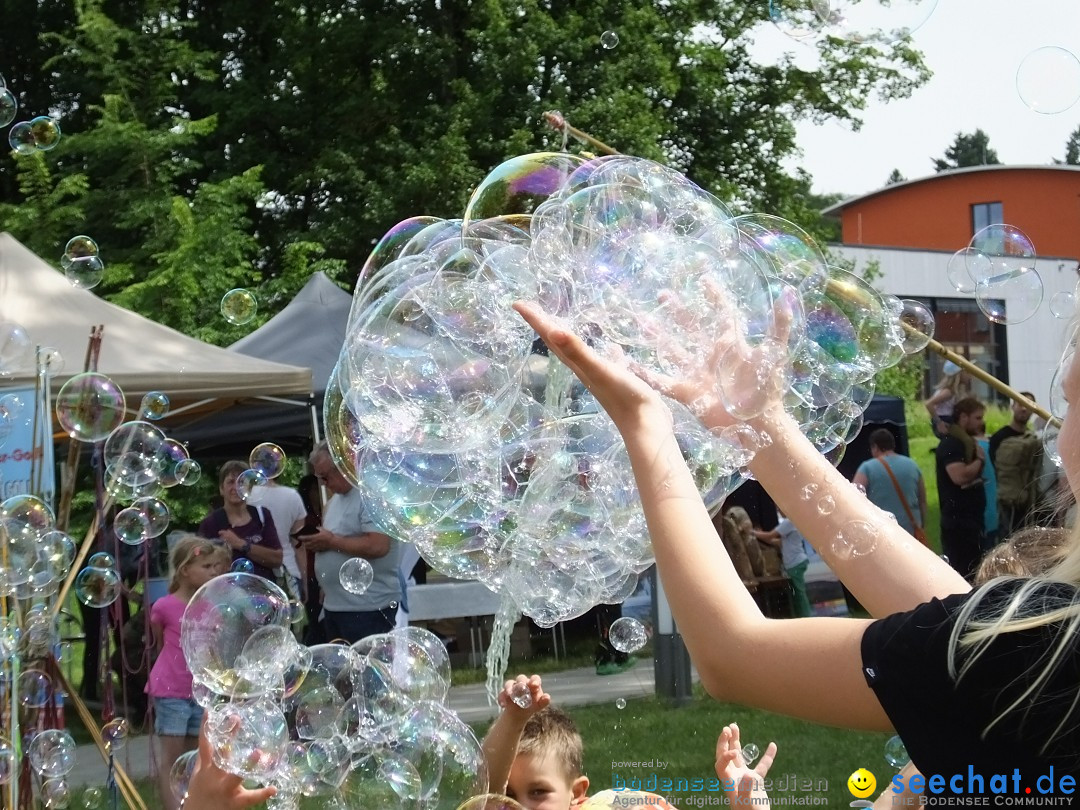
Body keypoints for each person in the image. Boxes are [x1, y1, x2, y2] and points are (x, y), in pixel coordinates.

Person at [514, 297, 1080, 785]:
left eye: (1075, 397)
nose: (1061, 418)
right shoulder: (1042, 638)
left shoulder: (1045, 645)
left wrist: (644, 422)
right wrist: (763, 430)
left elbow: (733, 653)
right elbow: (964, 623)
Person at [147, 535, 228, 810]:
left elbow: (213, 651)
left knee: (195, 758)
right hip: (170, 691)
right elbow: (160, 646)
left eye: (215, 566)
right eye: (206, 567)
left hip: (200, 692)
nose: (214, 572)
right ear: (184, 570)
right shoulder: (163, 607)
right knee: (171, 758)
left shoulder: (211, 609)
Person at [301, 441, 403, 643]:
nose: (323, 483)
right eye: (319, 477)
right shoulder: (334, 501)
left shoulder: (372, 496)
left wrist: (330, 541)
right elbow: (336, 542)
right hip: (336, 605)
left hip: (368, 606)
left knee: (367, 670)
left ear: (344, 465)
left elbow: (378, 545)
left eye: (326, 476)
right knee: (343, 673)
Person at [197, 461, 284, 580]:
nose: (236, 487)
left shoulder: (262, 515)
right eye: (231, 482)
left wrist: (241, 544)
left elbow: (277, 559)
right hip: (227, 594)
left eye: (242, 481)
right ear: (221, 489)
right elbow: (201, 564)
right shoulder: (211, 523)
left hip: (263, 592)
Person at [934, 396, 987, 580]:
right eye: (978, 418)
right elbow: (959, 476)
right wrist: (980, 460)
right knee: (963, 573)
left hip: (970, 522)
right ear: (964, 417)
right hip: (958, 524)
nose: (982, 422)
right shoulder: (952, 443)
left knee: (974, 570)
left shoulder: (965, 442)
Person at [853, 428, 927, 542]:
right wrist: (921, 525)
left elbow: (854, 497)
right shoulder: (912, 465)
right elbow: (922, 500)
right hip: (910, 530)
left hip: (882, 531)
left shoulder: (867, 467)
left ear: (875, 447)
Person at [989, 393, 1043, 537]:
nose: (1024, 409)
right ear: (1013, 406)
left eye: (1028, 406)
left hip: (1030, 502)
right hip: (1009, 503)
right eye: (1020, 404)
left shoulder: (1033, 439)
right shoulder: (999, 438)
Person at [251, 477, 308, 598]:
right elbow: (299, 545)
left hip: (254, 573)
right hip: (289, 572)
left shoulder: (247, 495)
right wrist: (305, 582)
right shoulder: (292, 496)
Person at [760, 512, 813, 617]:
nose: (779, 511)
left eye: (780, 508)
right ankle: (803, 618)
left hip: (795, 563)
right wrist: (760, 535)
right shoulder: (792, 523)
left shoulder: (789, 522)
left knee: (799, 595)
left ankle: (807, 619)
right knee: (797, 594)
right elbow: (778, 542)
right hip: (796, 563)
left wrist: (752, 533)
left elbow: (770, 536)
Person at [923, 359, 969, 438]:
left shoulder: (953, 391)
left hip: (949, 419)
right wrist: (939, 422)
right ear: (958, 374)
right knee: (965, 440)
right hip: (945, 420)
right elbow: (929, 404)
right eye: (967, 372)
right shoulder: (948, 392)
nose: (970, 376)